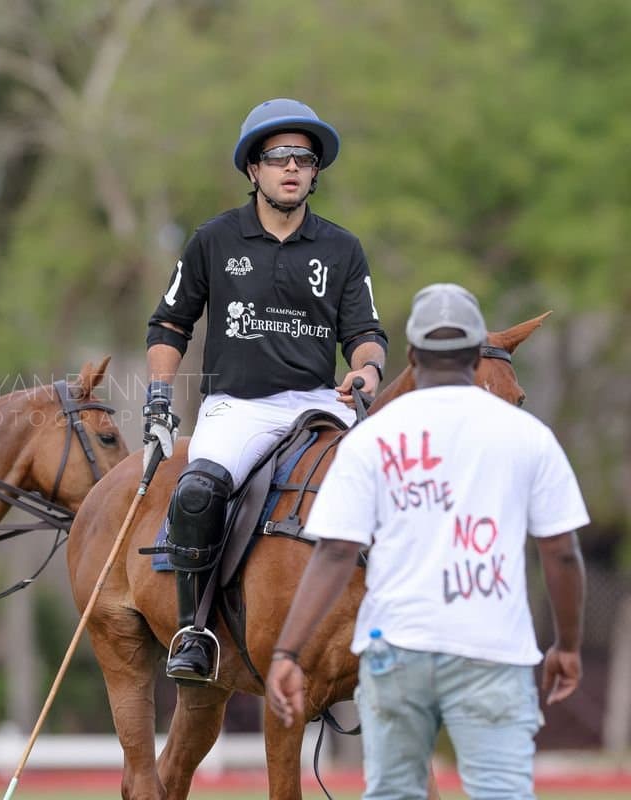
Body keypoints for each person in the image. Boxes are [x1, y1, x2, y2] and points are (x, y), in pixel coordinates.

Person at [265, 283, 588, 799]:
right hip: (493, 651)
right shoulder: (527, 436)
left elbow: (334, 554)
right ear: (477, 355)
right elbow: (562, 553)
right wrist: (567, 646)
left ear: (412, 354)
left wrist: (286, 650)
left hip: (396, 651)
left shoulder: (369, 439)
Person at [144, 98, 388, 682]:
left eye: (303, 158)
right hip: (239, 406)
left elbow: (366, 333)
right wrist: (158, 395)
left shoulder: (341, 248)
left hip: (318, 403)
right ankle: (194, 632)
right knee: (198, 491)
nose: (291, 168)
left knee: (394, 486)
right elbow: (171, 324)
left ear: (314, 172)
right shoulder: (214, 239)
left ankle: (402, 619)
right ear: (253, 169)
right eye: (277, 157)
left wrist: (368, 371)